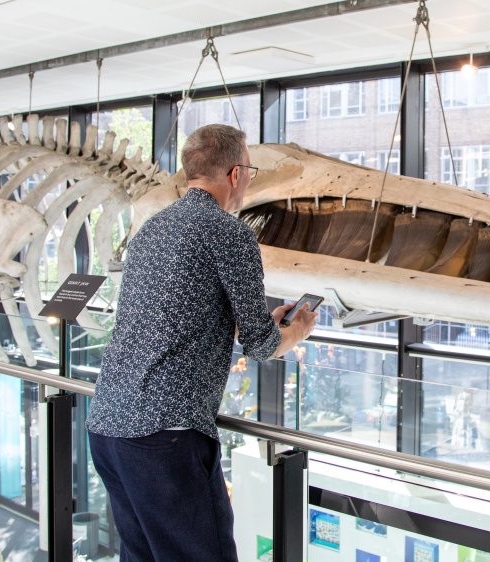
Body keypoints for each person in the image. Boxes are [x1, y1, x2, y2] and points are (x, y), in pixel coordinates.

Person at [87, 123, 318, 562]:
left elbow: (170, 318)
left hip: (109, 427)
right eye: (249, 169)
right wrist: (295, 331)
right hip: (165, 436)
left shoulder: (152, 230)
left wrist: (256, 325)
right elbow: (261, 346)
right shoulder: (230, 234)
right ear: (235, 173)